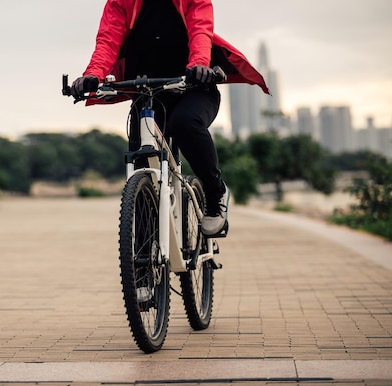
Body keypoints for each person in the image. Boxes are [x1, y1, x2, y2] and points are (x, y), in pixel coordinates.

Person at [70, 0, 269, 236]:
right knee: (140, 160)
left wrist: (199, 65)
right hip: (148, 94)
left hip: (194, 88)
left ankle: (216, 195)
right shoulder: (120, 2)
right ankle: (143, 258)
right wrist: (93, 73)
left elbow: (201, 31)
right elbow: (108, 39)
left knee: (184, 123)